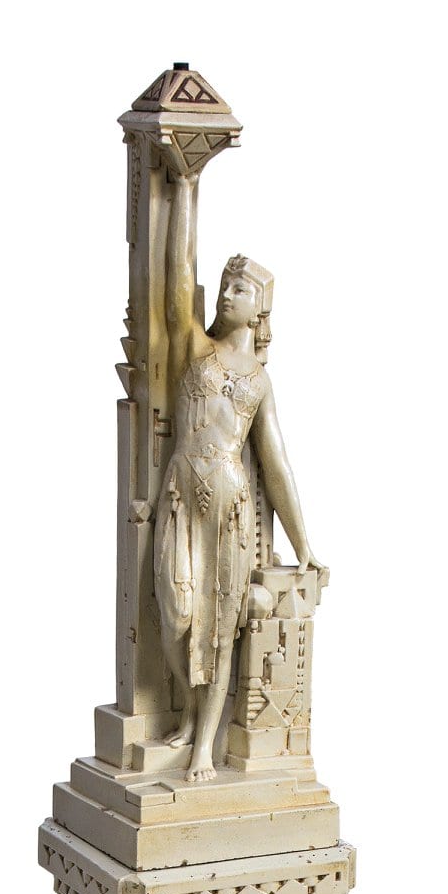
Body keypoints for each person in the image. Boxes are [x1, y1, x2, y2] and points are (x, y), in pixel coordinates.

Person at [154, 171, 320, 782]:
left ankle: (204, 743)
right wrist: (186, 188)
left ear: (261, 307)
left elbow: (276, 463)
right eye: (225, 285)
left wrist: (303, 544)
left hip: (229, 508)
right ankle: (188, 708)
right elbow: (177, 283)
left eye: (240, 288)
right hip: (182, 493)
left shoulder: (260, 381)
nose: (227, 294)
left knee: (222, 628)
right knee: (176, 613)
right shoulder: (196, 347)